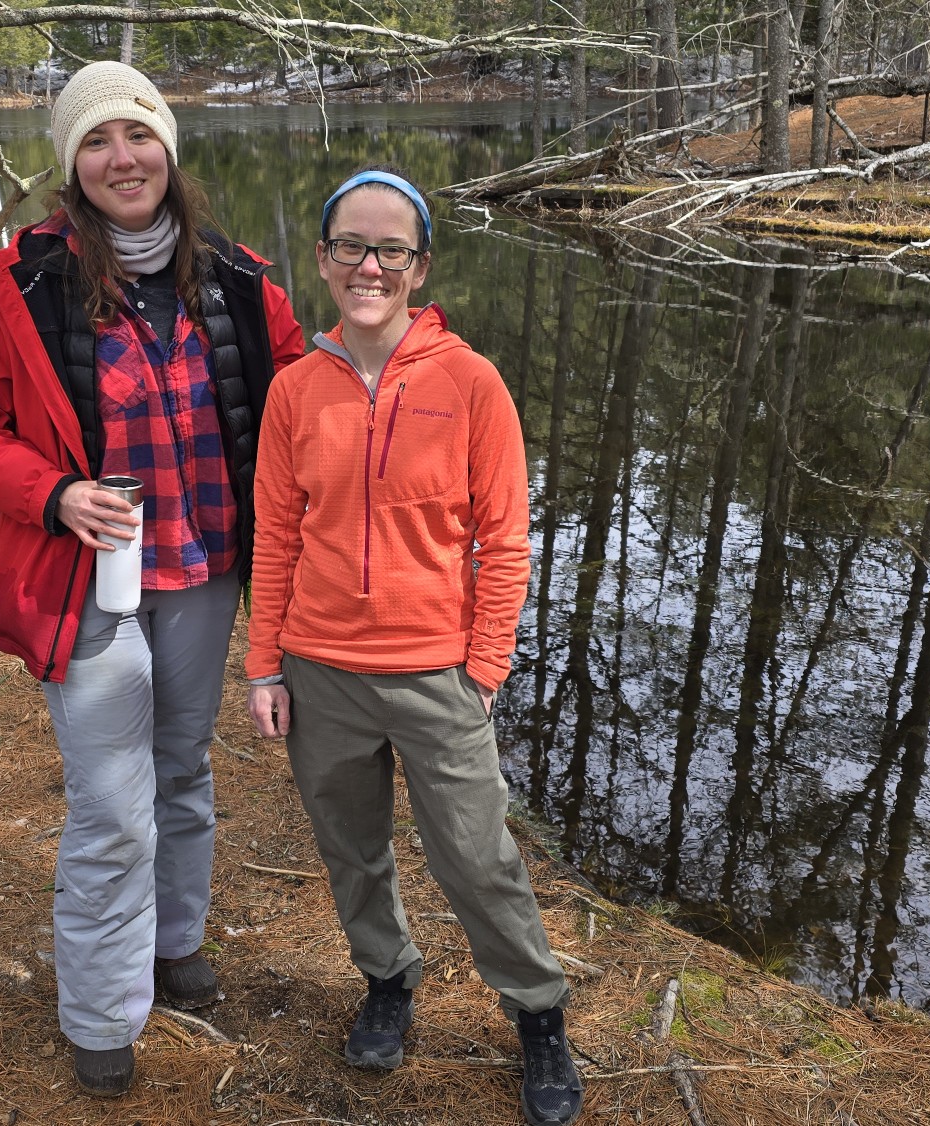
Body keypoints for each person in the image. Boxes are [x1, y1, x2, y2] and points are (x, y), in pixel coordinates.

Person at [0, 61, 304, 1098]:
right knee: (109, 801)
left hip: (203, 570)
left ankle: (175, 943)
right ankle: (99, 1004)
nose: (120, 157)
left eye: (136, 135)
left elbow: (298, 418)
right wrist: (54, 494)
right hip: (80, 580)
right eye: (95, 141)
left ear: (167, 150)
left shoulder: (240, 277)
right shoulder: (16, 283)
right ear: (71, 164)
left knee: (180, 767)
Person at [243, 168, 584, 1126]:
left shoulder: (471, 384)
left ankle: (538, 1015)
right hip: (321, 671)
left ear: (420, 268)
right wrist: (264, 663)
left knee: (478, 858)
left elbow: (505, 539)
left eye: (392, 249)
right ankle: (387, 979)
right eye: (351, 244)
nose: (370, 265)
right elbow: (275, 535)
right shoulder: (294, 393)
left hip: (436, 672)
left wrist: (484, 666)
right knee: (352, 851)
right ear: (322, 258)